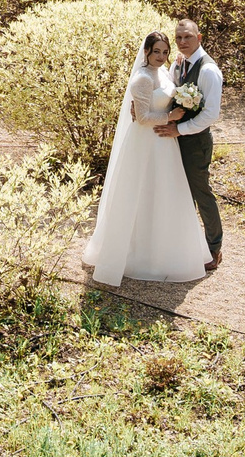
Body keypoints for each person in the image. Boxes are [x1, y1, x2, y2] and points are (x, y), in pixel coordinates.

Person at [80, 32, 212, 287]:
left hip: (164, 143)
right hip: (145, 141)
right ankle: (136, 254)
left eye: (164, 52)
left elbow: (166, 91)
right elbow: (141, 118)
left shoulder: (163, 72)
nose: (161, 56)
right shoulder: (141, 78)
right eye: (156, 52)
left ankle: (164, 251)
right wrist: (170, 117)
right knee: (139, 194)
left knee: (164, 193)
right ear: (146, 52)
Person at [156, 18, 225, 270]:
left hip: (195, 141)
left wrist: (180, 129)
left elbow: (210, 114)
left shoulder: (208, 70)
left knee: (201, 193)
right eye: (178, 38)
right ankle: (186, 245)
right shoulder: (180, 64)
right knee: (181, 194)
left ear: (199, 37)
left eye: (187, 37)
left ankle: (213, 248)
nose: (182, 42)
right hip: (176, 140)